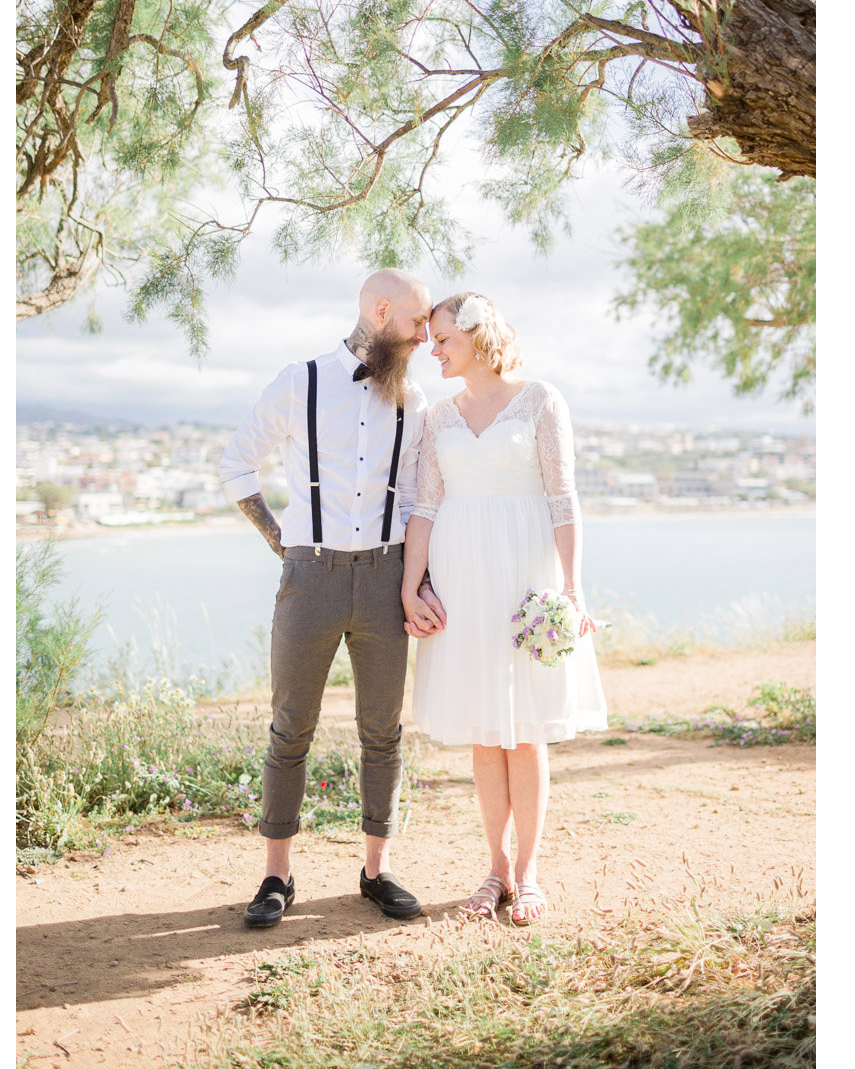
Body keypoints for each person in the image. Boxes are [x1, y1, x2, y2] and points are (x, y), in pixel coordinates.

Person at [220, 269, 447, 930]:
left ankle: (375, 872)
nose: (424, 335)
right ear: (380, 310)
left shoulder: (418, 401)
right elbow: (238, 462)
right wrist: (279, 539)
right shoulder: (300, 381)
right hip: (310, 578)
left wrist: (416, 578)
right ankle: (276, 875)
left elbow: (411, 497)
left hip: (385, 578)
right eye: (416, 321)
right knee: (290, 729)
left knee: (384, 732)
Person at [401, 291, 608, 925]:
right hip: (461, 580)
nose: (430, 350)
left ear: (475, 335)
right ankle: (494, 869)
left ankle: (529, 872)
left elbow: (562, 499)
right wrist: (413, 587)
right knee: (485, 732)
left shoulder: (541, 400)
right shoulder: (438, 417)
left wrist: (571, 591)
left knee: (524, 730)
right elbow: (426, 508)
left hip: (524, 577)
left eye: (441, 339)